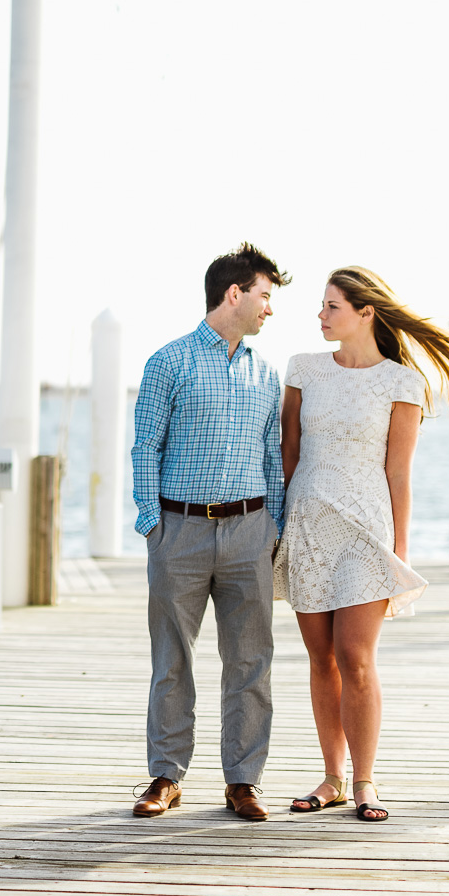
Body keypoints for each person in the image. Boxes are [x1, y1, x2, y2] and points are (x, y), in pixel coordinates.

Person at [278, 266, 449, 822]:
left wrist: (401, 549)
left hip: (368, 534)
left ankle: (365, 781)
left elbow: (399, 474)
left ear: (366, 312)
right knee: (321, 657)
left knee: (356, 658)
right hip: (309, 525)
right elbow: (287, 454)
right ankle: (332, 778)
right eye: (321, 306)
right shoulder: (303, 370)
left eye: (331, 307)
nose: (320, 315)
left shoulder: (402, 382)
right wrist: (277, 527)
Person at [130, 243, 289, 821]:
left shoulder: (267, 374)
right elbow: (145, 445)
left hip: (249, 531)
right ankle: (166, 777)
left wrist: (273, 525)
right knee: (172, 658)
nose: (270, 309)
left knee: (251, 660)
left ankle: (243, 781)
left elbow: (272, 457)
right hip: (180, 531)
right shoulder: (167, 362)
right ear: (235, 294)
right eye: (265, 296)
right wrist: (152, 523)